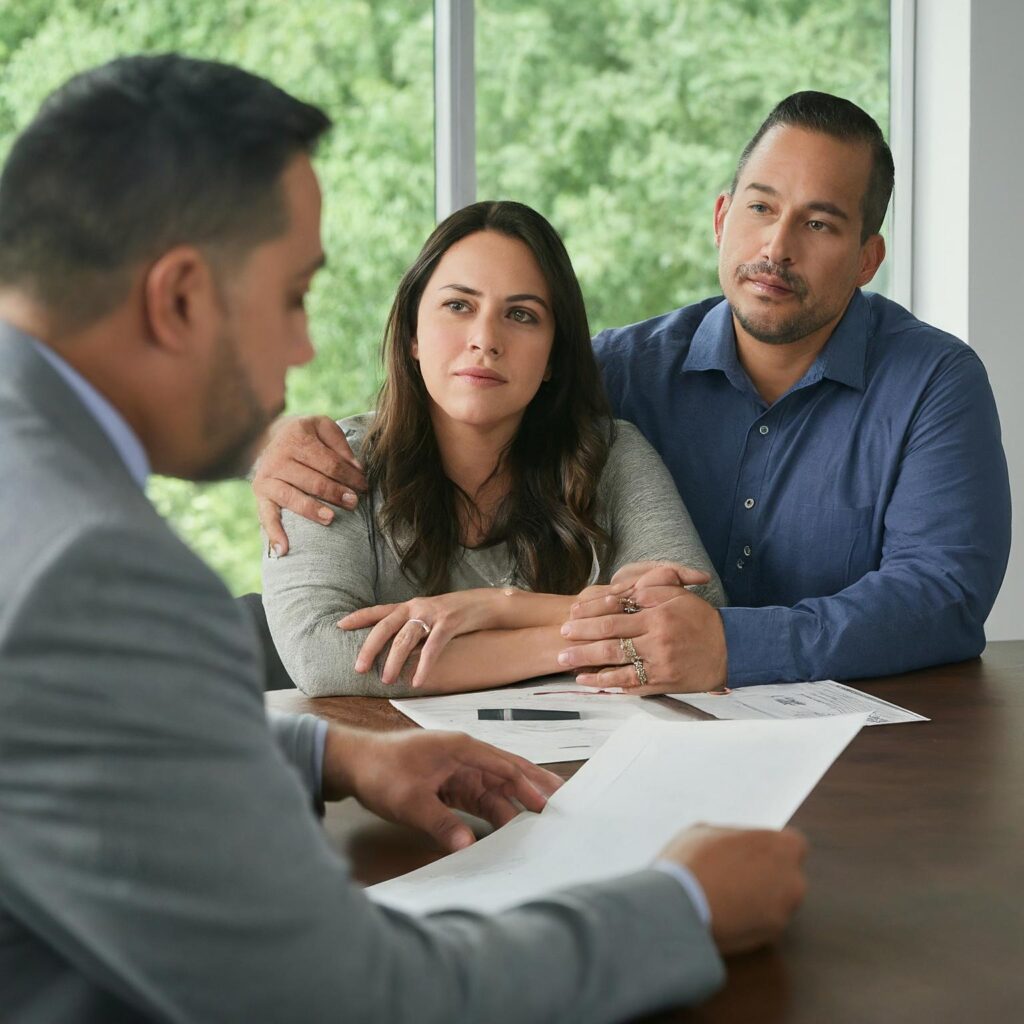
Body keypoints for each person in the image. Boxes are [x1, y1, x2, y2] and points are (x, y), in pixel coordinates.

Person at [0, 55, 808, 1023]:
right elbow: (344, 992)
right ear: (178, 298)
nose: (303, 350)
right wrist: (682, 904)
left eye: (520, 316)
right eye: (294, 296)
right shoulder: (88, 566)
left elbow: (71, 738)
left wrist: (324, 755)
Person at [255, 90, 1012, 693]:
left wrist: (724, 645)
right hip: (636, 729)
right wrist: (289, 445)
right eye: (760, 208)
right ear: (722, 217)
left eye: (819, 223)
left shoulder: (933, 383)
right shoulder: (620, 370)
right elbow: (469, 386)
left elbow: (941, 596)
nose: (776, 248)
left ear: (868, 257)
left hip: (873, 745)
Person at [261, 200, 725, 697]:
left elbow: (695, 621)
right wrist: (568, 639)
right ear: (413, 333)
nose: (485, 340)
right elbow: (321, 654)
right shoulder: (330, 463)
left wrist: (496, 607)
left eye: (521, 315)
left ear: (552, 357)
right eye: (458, 305)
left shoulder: (612, 456)